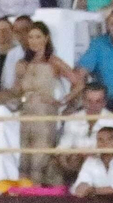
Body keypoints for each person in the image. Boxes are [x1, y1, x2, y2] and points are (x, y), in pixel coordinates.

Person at [15, 20, 72, 186]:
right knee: (25, 157)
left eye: (37, 37)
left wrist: (64, 101)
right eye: (31, 37)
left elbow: (78, 82)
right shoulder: (22, 64)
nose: (33, 41)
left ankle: (39, 198)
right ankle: (23, 197)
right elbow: (16, 90)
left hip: (45, 114)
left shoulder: (53, 61)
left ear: (46, 38)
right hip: (26, 113)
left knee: (40, 159)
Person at [71, 126, 113, 195]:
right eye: (100, 140)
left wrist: (92, 190)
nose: (104, 143)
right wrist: (82, 187)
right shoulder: (90, 161)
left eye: (109, 140)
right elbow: (81, 183)